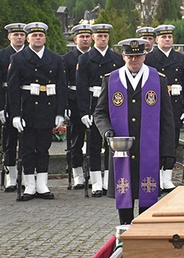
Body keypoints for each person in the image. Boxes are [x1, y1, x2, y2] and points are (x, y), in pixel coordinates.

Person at [94, 38, 175, 225]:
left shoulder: (158, 79)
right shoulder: (111, 79)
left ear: (144, 56)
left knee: (148, 200)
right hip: (121, 150)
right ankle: (124, 235)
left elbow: (167, 119)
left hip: (149, 150)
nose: (133, 60)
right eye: (130, 56)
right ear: (123, 56)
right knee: (125, 199)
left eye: (137, 56)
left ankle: (145, 237)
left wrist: (168, 151)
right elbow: (100, 113)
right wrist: (107, 132)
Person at [8, 22, 67, 201]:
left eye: (40, 35)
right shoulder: (18, 59)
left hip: (46, 108)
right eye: (34, 36)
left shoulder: (55, 59)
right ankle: (29, 185)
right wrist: (15, 114)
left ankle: (42, 184)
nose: (38, 38)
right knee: (27, 148)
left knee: (43, 148)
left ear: (45, 38)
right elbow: (13, 89)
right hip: (26, 109)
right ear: (28, 38)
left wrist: (60, 113)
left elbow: (62, 88)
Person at [76, 24, 124, 197]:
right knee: (94, 145)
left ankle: (108, 181)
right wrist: (83, 112)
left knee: (111, 145)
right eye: (100, 36)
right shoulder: (85, 59)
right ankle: (96, 181)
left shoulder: (116, 58)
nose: (103, 39)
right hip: (93, 103)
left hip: (113, 104)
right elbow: (81, 88)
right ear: (93, 37)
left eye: (105, 36)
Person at [144, 24, 184, 192]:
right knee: (155, 142)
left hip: (175, 107)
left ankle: (168, 176)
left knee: (171, 142)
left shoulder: (181, 59)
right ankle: (156, 176)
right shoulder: (149, 59)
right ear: (156, 39)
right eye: (163, 37)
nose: (167, 40)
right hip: (154, 106)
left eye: (170, 37)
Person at [62, 24, 93, 189]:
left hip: (94, 101)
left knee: (95, 140)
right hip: (74, 103)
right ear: (75, 39)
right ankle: (77, 174)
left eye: (88, 36)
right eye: (82, 37)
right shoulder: (67, 59)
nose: (85, 39)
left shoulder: (95, 57)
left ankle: (95, 173)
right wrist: (65, 105)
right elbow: (64, 84)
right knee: (76, 140)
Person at [0, 23, 26, 192]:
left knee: (27, 141)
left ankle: (25, 175)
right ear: (9, 36)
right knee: (9, 140)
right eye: (15, 34)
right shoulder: (3, 55)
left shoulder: (30, 54)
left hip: (27, 101)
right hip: (7, 99)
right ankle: (11, 175)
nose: (19, 37)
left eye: (21, 35)